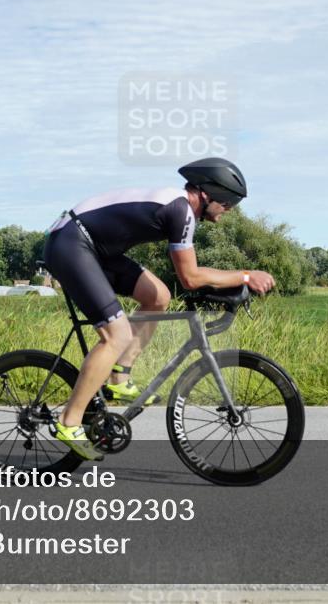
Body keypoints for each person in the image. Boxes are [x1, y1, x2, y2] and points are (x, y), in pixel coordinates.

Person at [41, 158, 276, 461]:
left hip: (97, 249)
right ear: (207, 193)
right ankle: (69, 421)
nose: (229, 210)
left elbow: (187, 278)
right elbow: (190, 278)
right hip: (71, 244)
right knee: (116, 334)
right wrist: (245, 275)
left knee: (158, 297)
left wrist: (232, 282)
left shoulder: (180, 209)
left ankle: (118, 376)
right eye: (228, 202)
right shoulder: (181, 211)